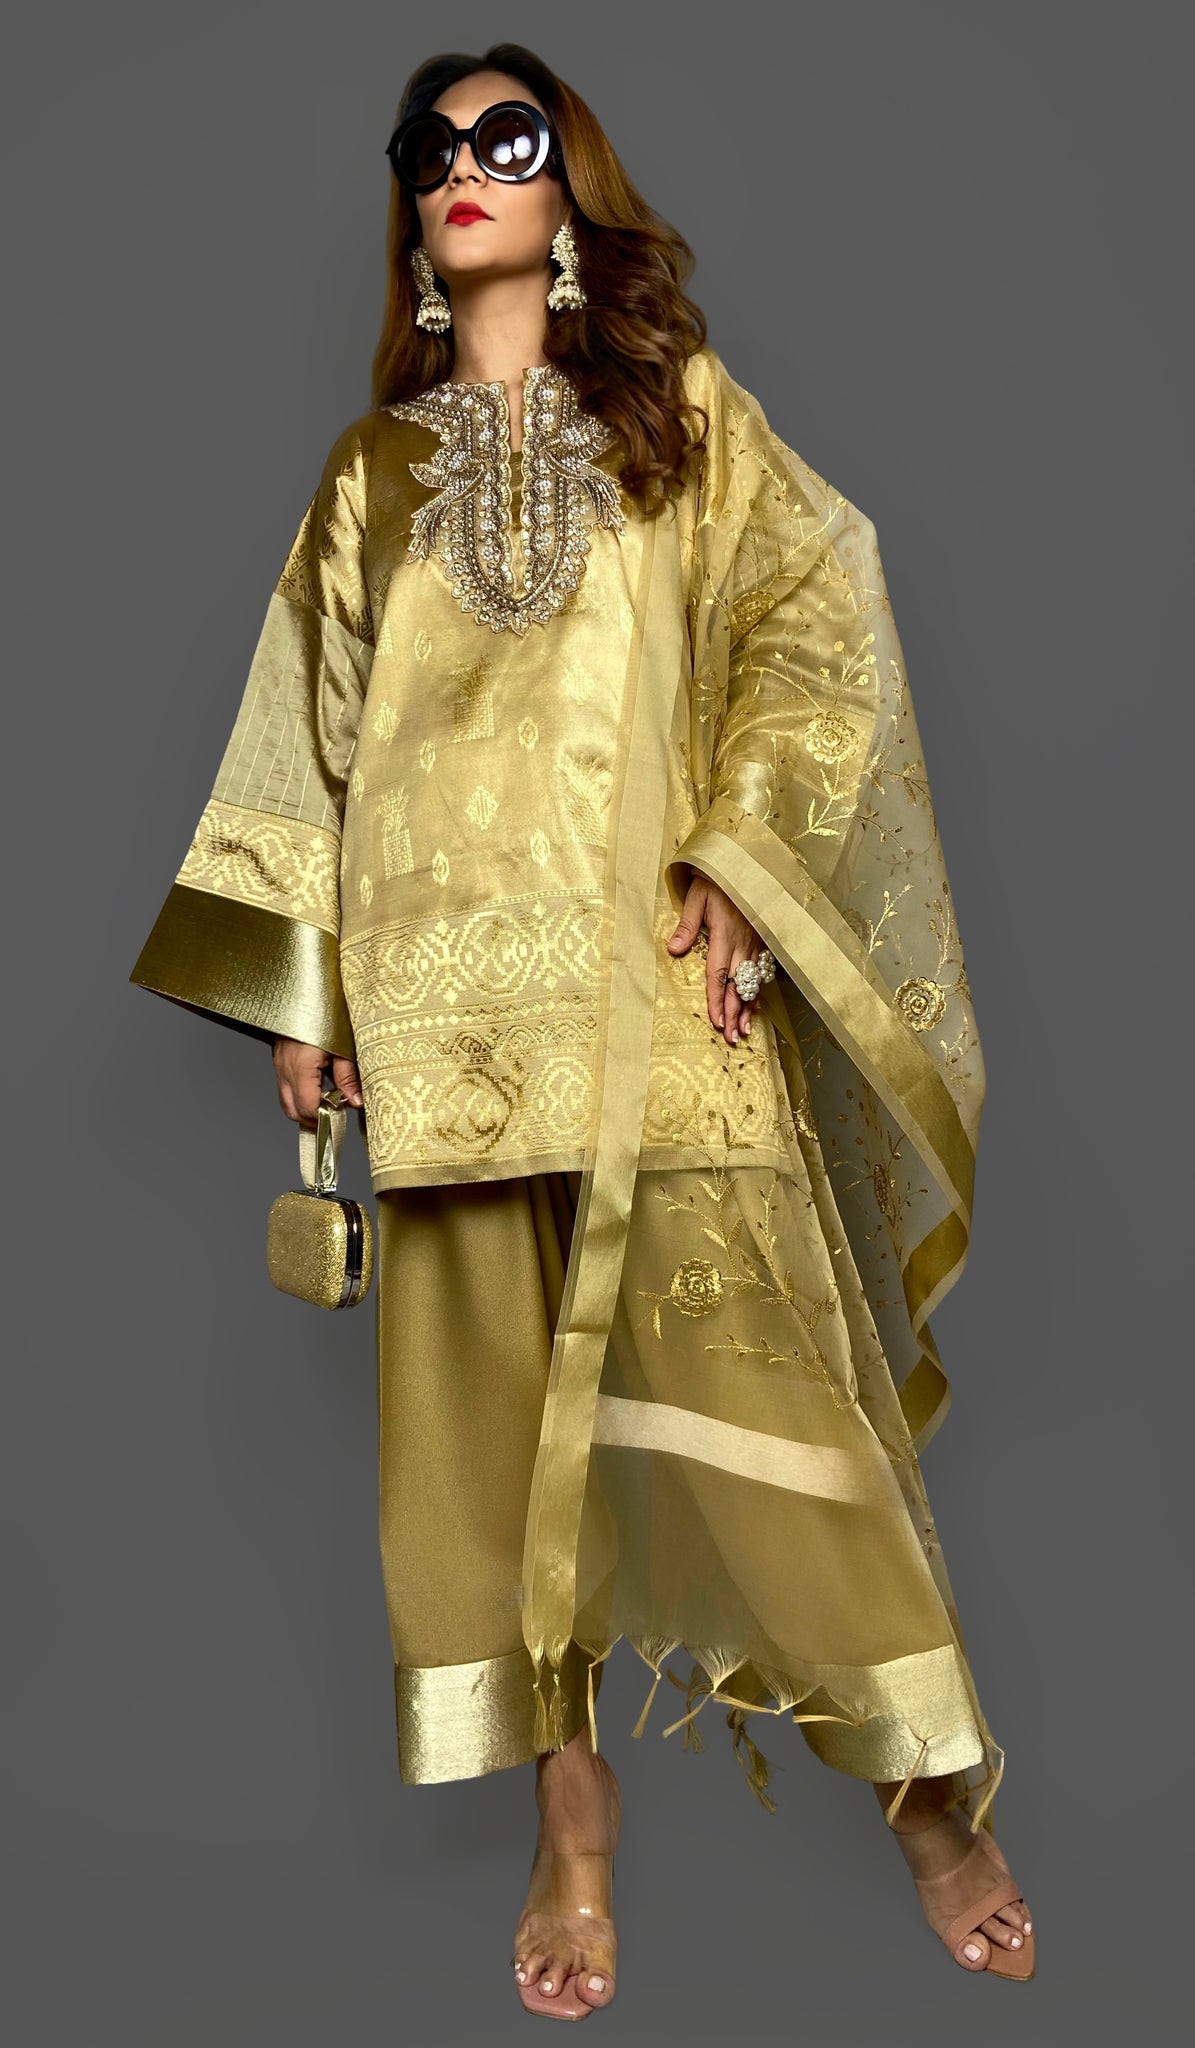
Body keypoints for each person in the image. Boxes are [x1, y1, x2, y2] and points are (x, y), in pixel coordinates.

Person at [130, 41, 1035, 2018]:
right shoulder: (369, 476)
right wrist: (305, 990)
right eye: (429, 146)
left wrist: (742, 857)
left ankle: (925, 1796)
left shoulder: (676, 422)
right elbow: (307, 740)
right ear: (412, 203)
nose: (460, 166)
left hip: (651, 1009)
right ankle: (573, 1818)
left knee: (777, 1413)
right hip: (441, 1027)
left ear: (568, 185)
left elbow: (813, 619)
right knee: (485, 1446)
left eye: (504, 137)